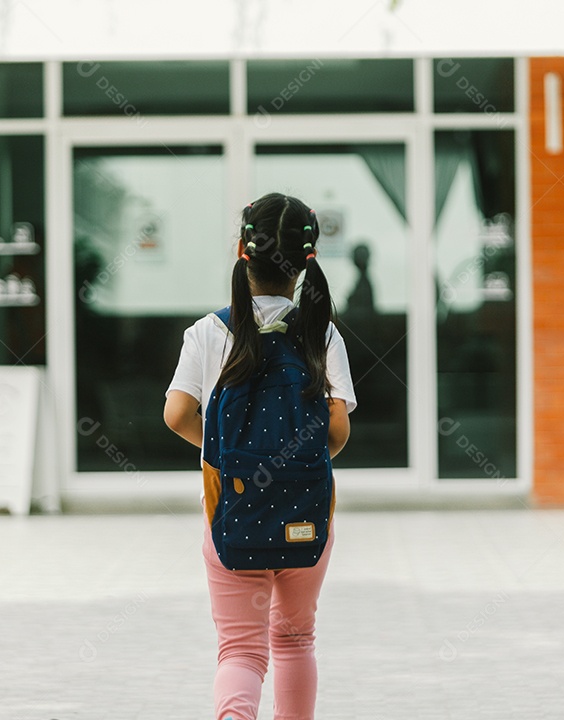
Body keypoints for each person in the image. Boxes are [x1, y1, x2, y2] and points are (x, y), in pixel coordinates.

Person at [163, 192, 356, 720]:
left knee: (241, 650)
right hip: (307, 514)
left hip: (231, 510)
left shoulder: (208, 333)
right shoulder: (321, 333)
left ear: (242, 251)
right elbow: (336, 431)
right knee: (295, 639)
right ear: (305, 262)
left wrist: (226, 452)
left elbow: (177, 415)